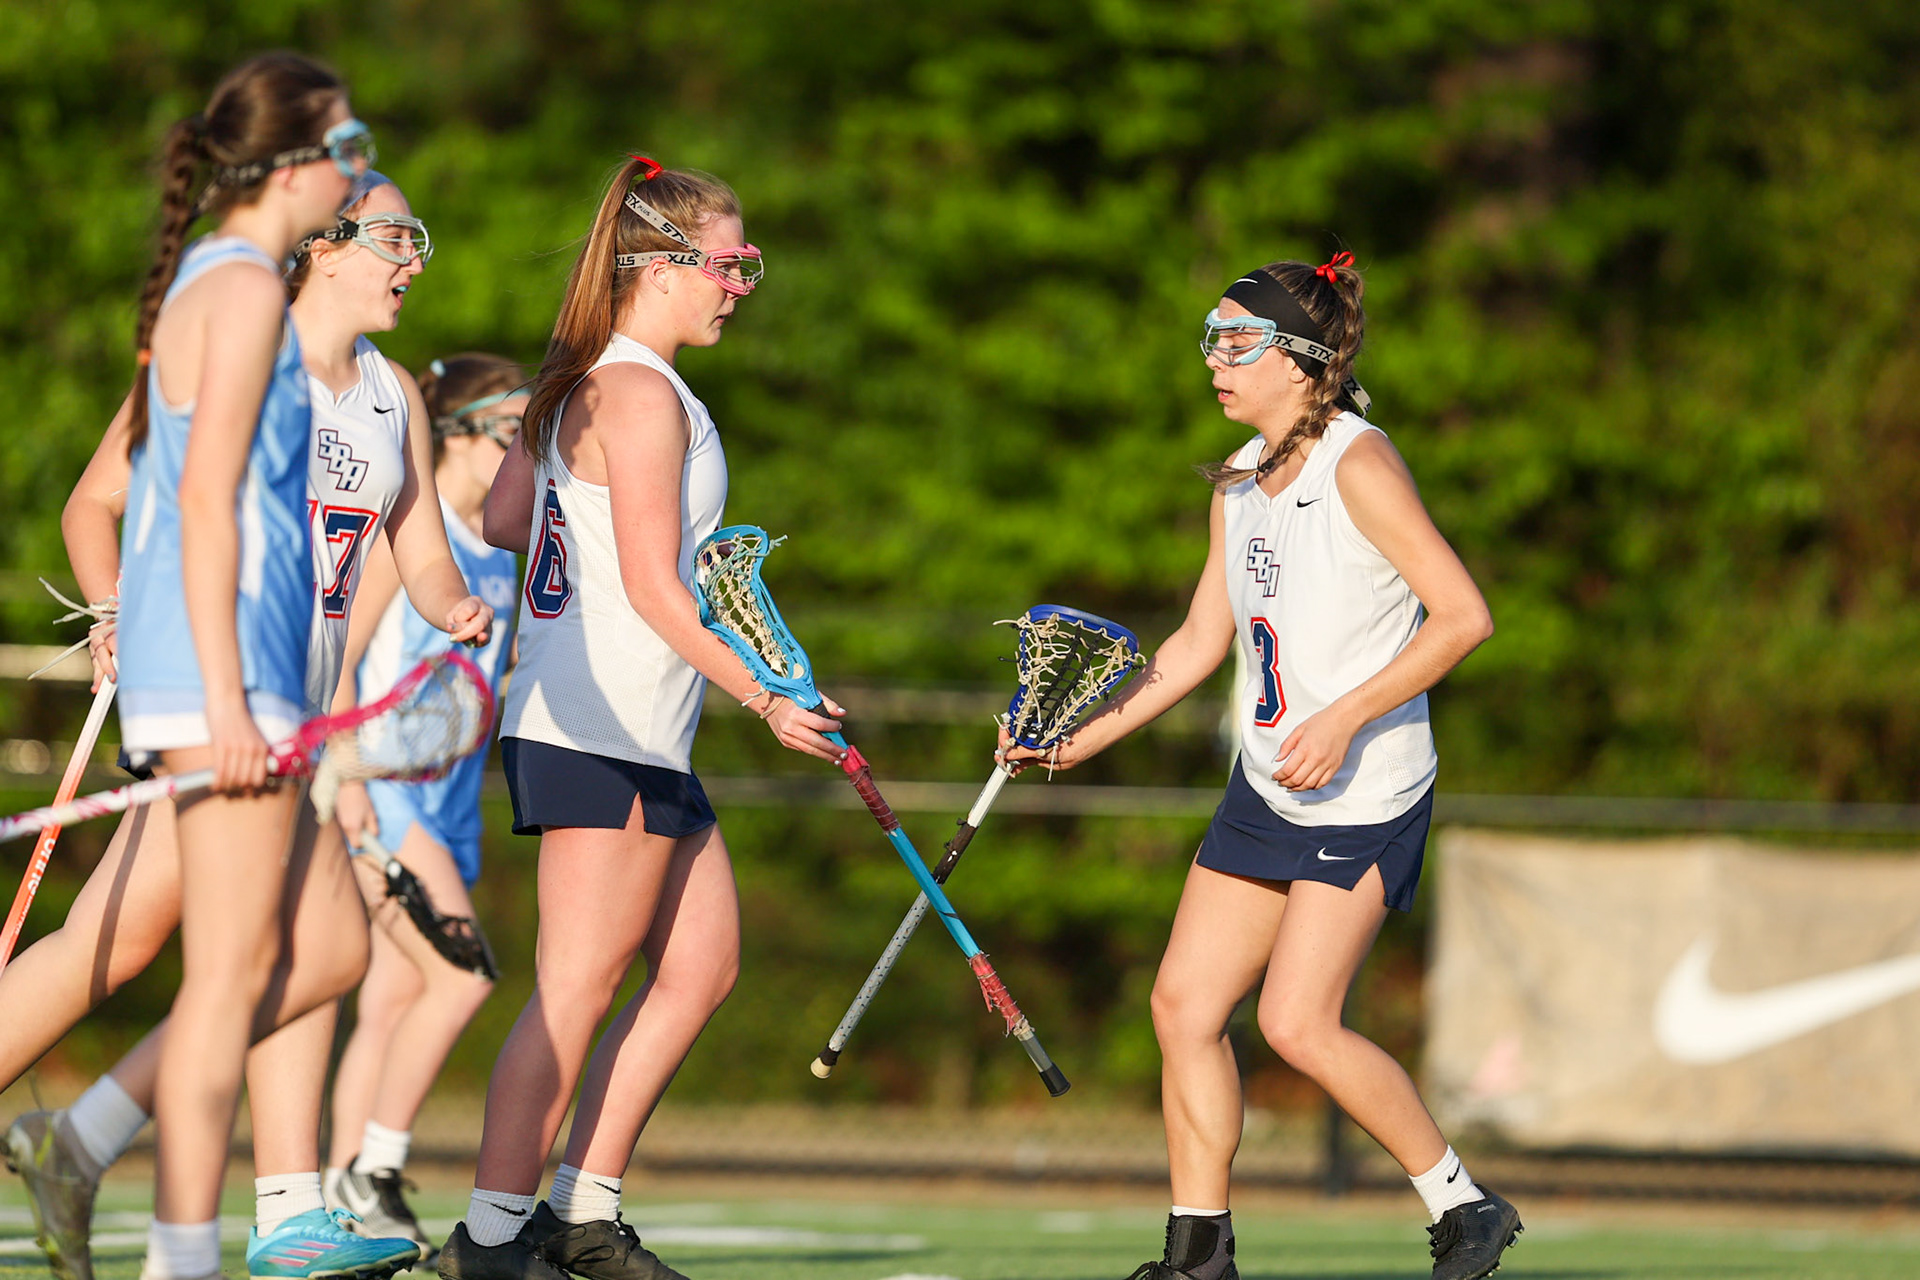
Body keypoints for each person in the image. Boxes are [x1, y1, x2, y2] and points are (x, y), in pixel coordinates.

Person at [3, 155, 489, 1280]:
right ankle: (243, 1210)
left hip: (292, 723)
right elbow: (95, 502)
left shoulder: (393, 397)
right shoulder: (235, 351)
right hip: (217, 706)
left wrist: (453, 605)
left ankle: (208, 1189)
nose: (414, 264)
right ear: (321, 245)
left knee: (124, 945)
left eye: (418, 242)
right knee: (296, 948)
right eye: (395, 239)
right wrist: (116, 617)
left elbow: (419, 550)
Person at [1002, 253, 1518, 1280]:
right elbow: (1200, 641)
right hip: (1269, 786)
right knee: (1183, 1007)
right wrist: (1078, 738)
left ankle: (1464, 1203)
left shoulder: (1359, 466)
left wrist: (1347, 716)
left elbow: (1465, 616)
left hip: (1364, 791)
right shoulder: (1239, 478)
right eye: (1212, 337)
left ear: (1301, 359)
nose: (1214, 359)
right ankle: (1198, 1254)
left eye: (1237, 340)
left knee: (1295, 1020)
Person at [437, 155, 843, 1280]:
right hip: (599, 726)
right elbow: (657, 589)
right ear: (660, 267)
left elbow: (508, 519)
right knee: (574, 990)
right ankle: (489, 1239)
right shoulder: (642, 392)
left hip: (638, 726)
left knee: (700, 965)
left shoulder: (590, 381)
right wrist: (765, 695)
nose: (739, 288)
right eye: (728, 265)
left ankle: (582, 1211)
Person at [323, 354, 527, 1264]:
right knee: (462, 973)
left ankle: (341, 1198)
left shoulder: (500, 551)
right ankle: (374, 1169)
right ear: (456, 432)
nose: (522, 453)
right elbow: (338, 656)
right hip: (384, 789)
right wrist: (346, 779)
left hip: (451, 803)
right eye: (510, 433)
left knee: (391, 997)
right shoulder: (405, 533)